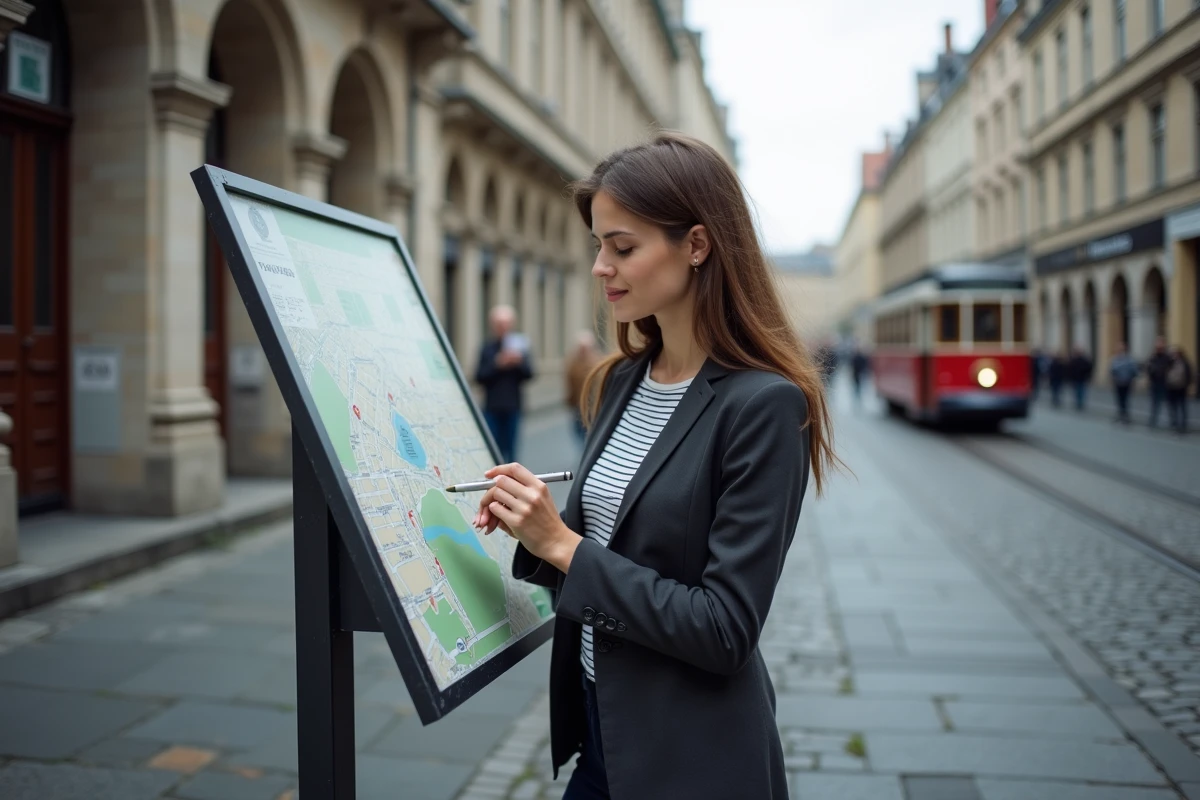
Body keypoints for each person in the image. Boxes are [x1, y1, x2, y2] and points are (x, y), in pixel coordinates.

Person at [469, 132, 837, 800]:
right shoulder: (622, 382)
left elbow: (725, 628)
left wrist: (561, 542)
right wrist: (533, 531)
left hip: (690, 759)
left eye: (623, 247)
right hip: (602, 734)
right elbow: (608, 547)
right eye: (599, 246)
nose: (600, 267)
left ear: (696, 246)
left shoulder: (763, 406)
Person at [475, 305, 533, 463]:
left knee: (511, 449)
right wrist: (497, 364)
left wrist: (518, 362)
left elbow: (529, 374)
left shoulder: (520, 346)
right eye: (499, 324)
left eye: (506, 324)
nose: (503, 328)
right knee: (493, 448)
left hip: (513, 405)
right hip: (492, 406)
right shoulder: (487, 348)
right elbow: (479, 376)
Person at [565, 330, 601, 444]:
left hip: (592, 404)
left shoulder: (597, 362)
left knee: (590, 429)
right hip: (577, 403)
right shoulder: (573, 362)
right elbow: (569, 381)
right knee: (578, 430)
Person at [1165, 344, 1194, 434]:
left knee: (1182, 407)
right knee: (1173, 407)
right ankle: (1175, 423)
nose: (1174, 354)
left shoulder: (1185, 362)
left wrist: (1187, 384)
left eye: (1175, 353)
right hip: (1171, 388)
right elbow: (1165, 373)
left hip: (1181, 388)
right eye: (1173, 353)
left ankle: (1183, 425)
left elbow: (1189, 374)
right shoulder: (1170, 362)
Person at [1108, 342, 1138, 424]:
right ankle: (1120, 415)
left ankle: (1126, 416)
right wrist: (1112, 380)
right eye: (1118, 349)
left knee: (1126, 400)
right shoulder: (1115, 359)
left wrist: (1132, 380)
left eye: (1121, 349)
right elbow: (1112, 371)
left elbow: (1134, 371)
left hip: (1127, 382)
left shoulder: (1129, 359)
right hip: (1118, 383)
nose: (1119, 350)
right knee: (1119, 400)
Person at [1145, 337, 1172, 427]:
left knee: (1169, 403)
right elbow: (1148, 367)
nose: (1159, 346)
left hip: (1165, 383)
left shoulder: (1167, 357)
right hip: (1155, 383)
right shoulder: (1153, 357)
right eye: (1158, 344)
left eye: (1161, 344)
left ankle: (1173, 422)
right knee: (1155, 403)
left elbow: (1171, 368)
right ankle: (1153, 421)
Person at [1067, 346, 1093, 411]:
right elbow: (1070, 370)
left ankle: (1080, 403)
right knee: (1077, 391)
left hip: (1082, 378)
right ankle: (1078, 403)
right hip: (1076, 379)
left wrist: (1087, 376)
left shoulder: (1084, 360)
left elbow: (1089, 368)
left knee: (1081, 391)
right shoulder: (1073, 360)